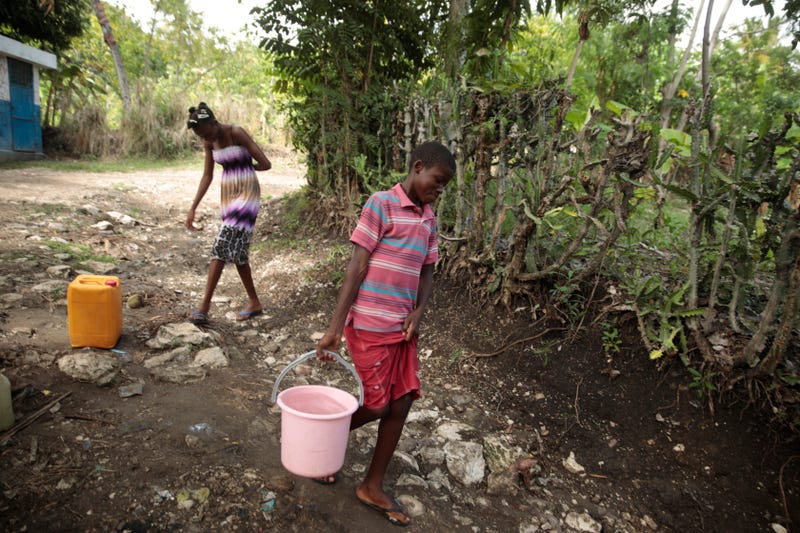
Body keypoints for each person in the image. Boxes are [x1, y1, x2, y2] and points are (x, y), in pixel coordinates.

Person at [315, 141, 456, 527]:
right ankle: (317, 444)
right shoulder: (380, 204)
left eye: (444, 187)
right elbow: (357, 266)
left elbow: (427, 270)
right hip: (370, 325)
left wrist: (419, 310)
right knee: (376, 404)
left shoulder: (428, 219)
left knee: (402, 401)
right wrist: (334, 328)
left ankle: (371, 485)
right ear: (418, 166)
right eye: (437, 181)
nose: (438, 190)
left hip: (402, 329)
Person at [185, 102, 272, 325]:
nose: (207, 138)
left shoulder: (236, 132)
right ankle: (254, 302)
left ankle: (204, 306)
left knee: (221, 244)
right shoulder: (209, 142)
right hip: (229, 196)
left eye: (208, 132)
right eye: (202, 136)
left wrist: (243, 167)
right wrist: (193, 207)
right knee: (238, 251)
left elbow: (265, 163)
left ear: (215, 122)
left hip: (247, 194)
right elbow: (207, 176)